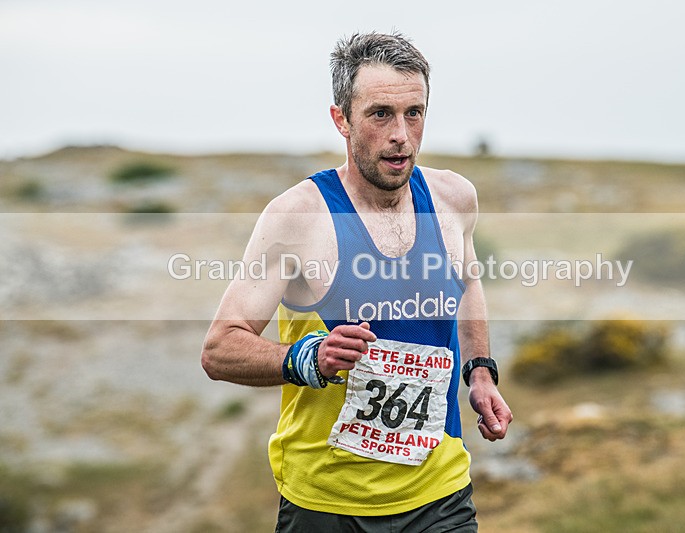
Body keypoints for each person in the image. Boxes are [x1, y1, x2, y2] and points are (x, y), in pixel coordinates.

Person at [201, 31, 513, 532]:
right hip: (327, 503)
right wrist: (307, 358)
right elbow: (219, 349)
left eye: (415, 113)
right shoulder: (298, 216)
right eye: (380, 114)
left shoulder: (455, 199)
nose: (401, 136)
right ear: (341, 119)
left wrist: (479, 371)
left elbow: (468, 282)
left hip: (441, 496)